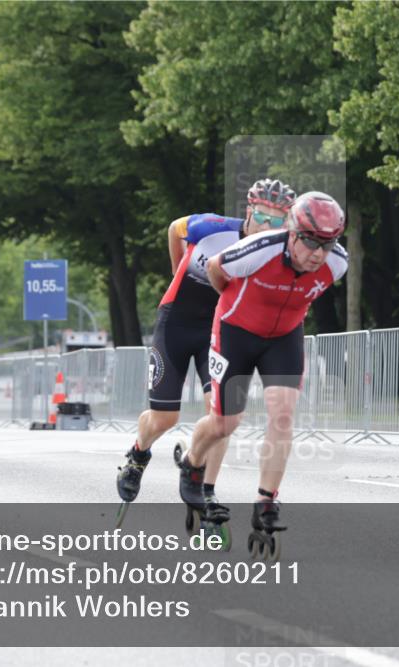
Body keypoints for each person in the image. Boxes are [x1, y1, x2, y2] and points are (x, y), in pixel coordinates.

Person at [176, 191, 348, 557]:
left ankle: (266, 502)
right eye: (310, 242)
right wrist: (239, 303)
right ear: (291, 232)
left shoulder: (338, 264)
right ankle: (192, 464)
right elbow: (215, 270)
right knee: (225, 423)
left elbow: (304, 291)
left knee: (283, 415)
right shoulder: (259, 249)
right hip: (236, 331)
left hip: (284, 336)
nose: (318, 253)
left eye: (327, 244)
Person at [116, 179, 297, 513]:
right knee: (164, 418)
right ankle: (139, 453)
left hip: (217, 330)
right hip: (176, 321)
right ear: (248, 210)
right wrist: (177, 270)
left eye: (277, 221)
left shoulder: (277, 251)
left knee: (221, 413)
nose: (267, 225)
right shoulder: (212, 227)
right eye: (262, 216)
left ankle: (206, 487)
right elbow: (174, 228)